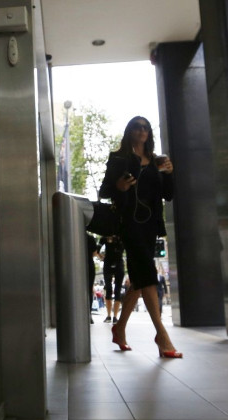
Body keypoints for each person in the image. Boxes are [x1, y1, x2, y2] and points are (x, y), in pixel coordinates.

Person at [98, 116, 182, 358]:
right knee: (147, 274)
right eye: (137, 127)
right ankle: (161, 334)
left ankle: (120, 328)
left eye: (146, 128)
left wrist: (169, 173)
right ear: (129, 131)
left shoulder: (157, 161)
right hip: (129, 223)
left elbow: (168, 195)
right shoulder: (119, 158)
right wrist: (119, 186)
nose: (142, 130)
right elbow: (104, 191)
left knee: (139, 278)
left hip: (150, 225)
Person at [98, 235, 125, 323]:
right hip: (108, 263)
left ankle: (115, 316)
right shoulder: (105, 237)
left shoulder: (121, 237)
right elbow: (98, 247)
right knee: (108, 289)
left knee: (117, 290)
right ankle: (109, 315)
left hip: (117, 263)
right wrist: (101, 257)